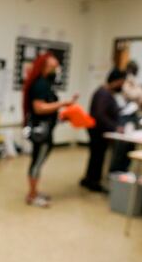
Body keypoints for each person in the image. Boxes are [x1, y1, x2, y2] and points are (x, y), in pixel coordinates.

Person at [23, 53, 78, 208]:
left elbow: (47, 109)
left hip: (45, 129)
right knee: (37, 163)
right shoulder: (40, 84)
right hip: (41, 133)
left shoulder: (45, 83)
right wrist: (62, 104)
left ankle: (34, 191)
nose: (57, 70)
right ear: (46, 66)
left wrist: (63, 115)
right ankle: (32, 195)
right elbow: (39, 108)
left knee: (37, 162)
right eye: (54, 67)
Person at [80, 69, 125, 192]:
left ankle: (90, 178)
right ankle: (93, 181)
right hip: (98, 131)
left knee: (96, 156)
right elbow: (100, 115)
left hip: (99, 130)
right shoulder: (103, 94)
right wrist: (114, 127)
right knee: (97, 156)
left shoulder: (106, 93)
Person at [110, 60, 142, 173]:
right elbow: (134, 95)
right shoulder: (125, 82)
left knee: (131, 146)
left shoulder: (136, 83)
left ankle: (125, 170)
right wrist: (138, 92)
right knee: (120, 147)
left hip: (134, 116)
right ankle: (115, 172)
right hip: (124, 116)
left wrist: (138, 92)